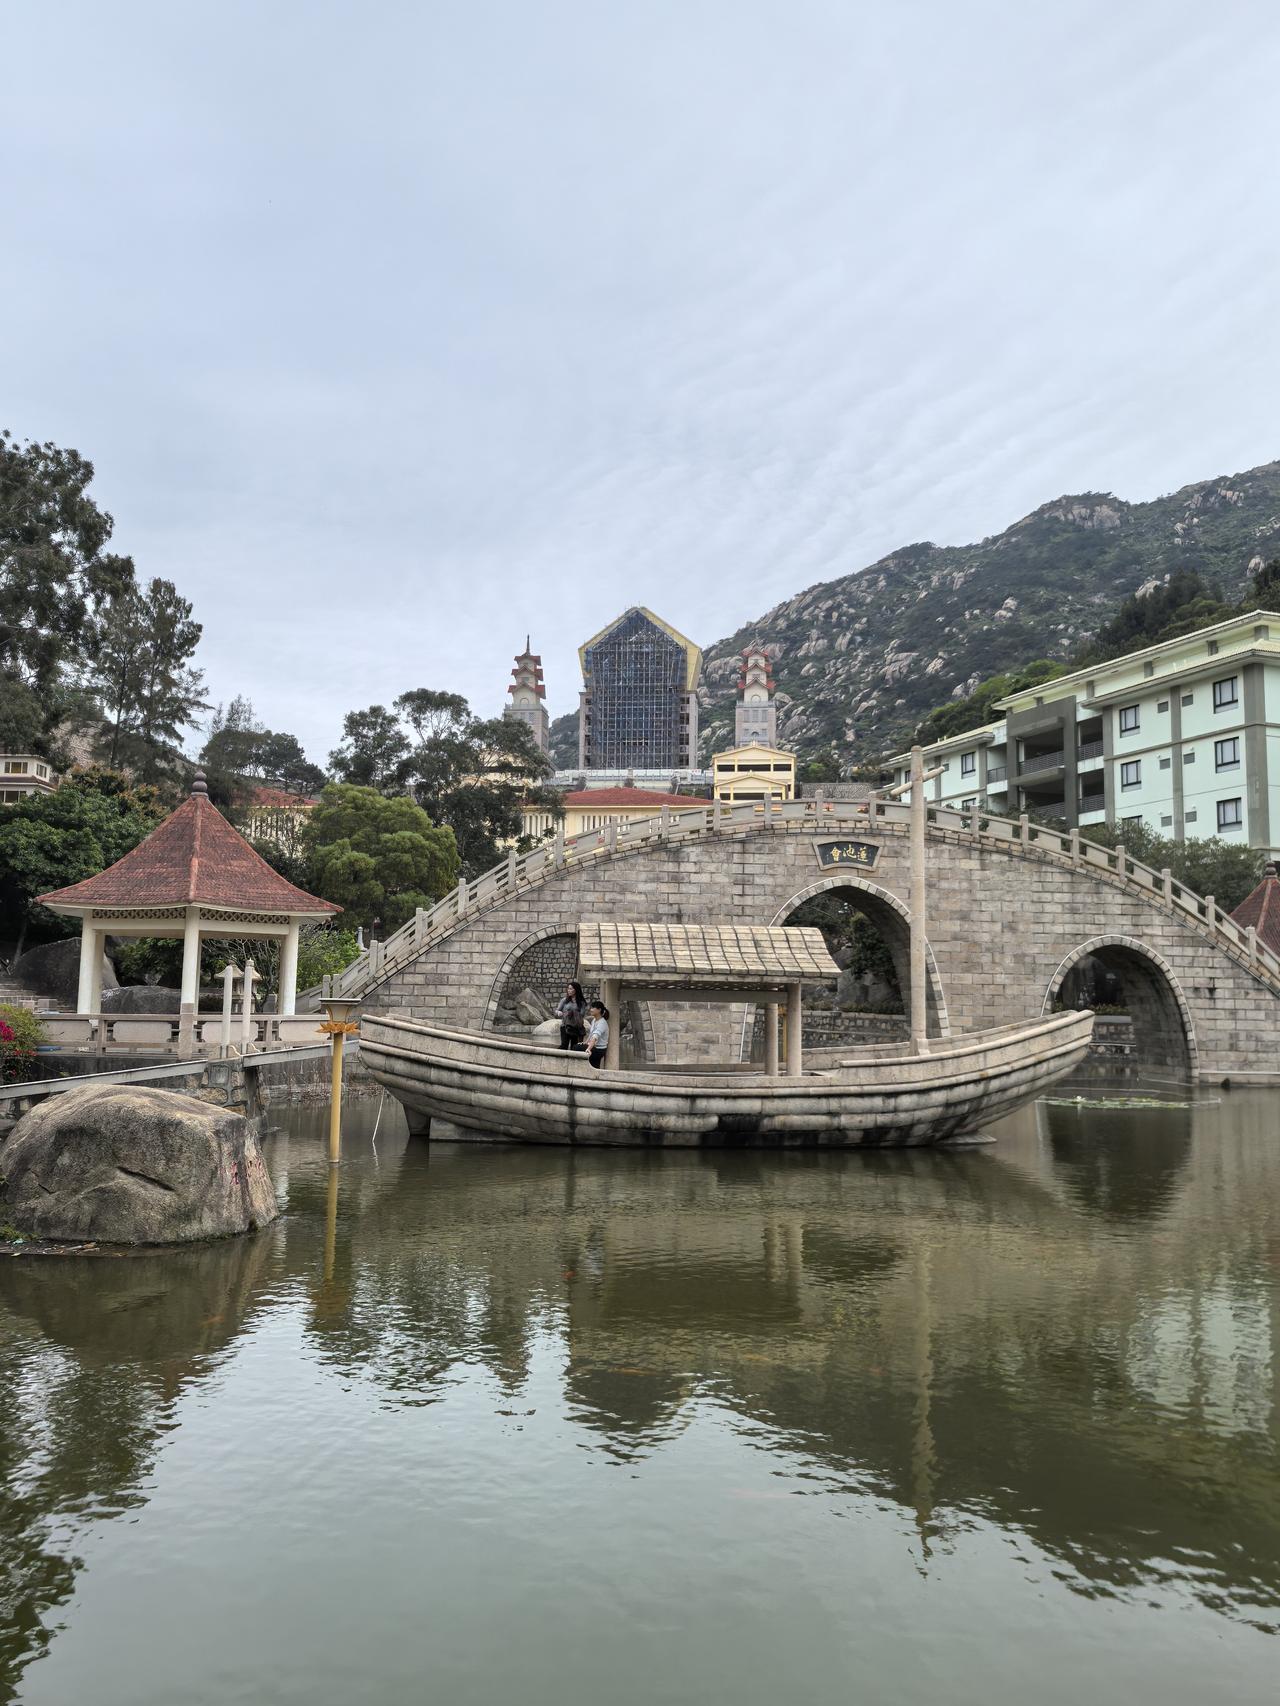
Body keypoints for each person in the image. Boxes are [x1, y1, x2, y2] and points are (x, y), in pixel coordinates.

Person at [555, 981, 586, 1051]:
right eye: (568, 989)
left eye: (571, 989)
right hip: (565, 1026)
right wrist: (558, 1012)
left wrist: (572, 1013)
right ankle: (554, 1055)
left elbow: (582, 1015)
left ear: (576, 990)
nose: (569, 990)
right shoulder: (564, 1000)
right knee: (564, 1045)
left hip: (575, 1027)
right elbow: (556, 1011)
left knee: (574, 1047)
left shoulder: (581, 1002)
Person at [584, 1000, 610, 1068]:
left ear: (599, 1010)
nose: (591, 1010)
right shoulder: (594, 1020)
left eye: (593, 1008)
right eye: (591, 1008)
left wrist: (588, 1049)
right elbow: (591, 1035)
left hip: (599, 1049)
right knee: (579, 1045)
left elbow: (595, 1037)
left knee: (577, 1048)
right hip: (594, 1047)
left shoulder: (602, 1023)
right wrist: (585, 1043)